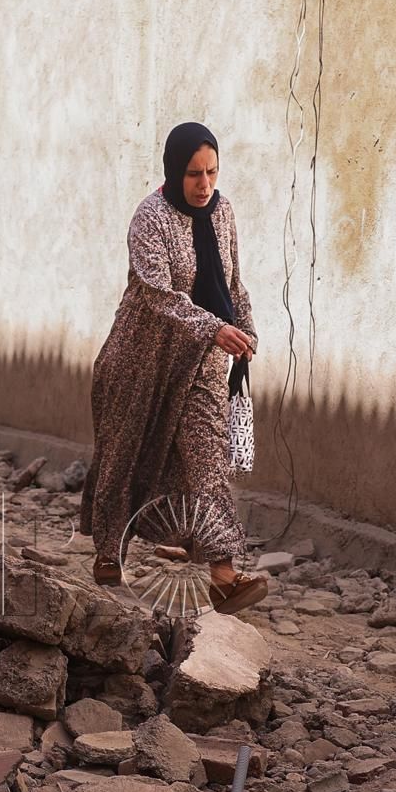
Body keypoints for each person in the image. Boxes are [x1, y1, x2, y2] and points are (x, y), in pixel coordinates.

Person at [79, 122, 270, 614]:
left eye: (211, 172)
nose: (205, 184)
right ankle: (108, 551)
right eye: (193, 174)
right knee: (125, 453)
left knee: (208, 460)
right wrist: (213, 328)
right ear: (172, 171)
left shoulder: (222, 212)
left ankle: (224, 574)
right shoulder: (150, 218)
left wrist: (245, 330)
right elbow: (159, 293)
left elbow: (234, 283)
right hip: (142, 359)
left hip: (201, 364)